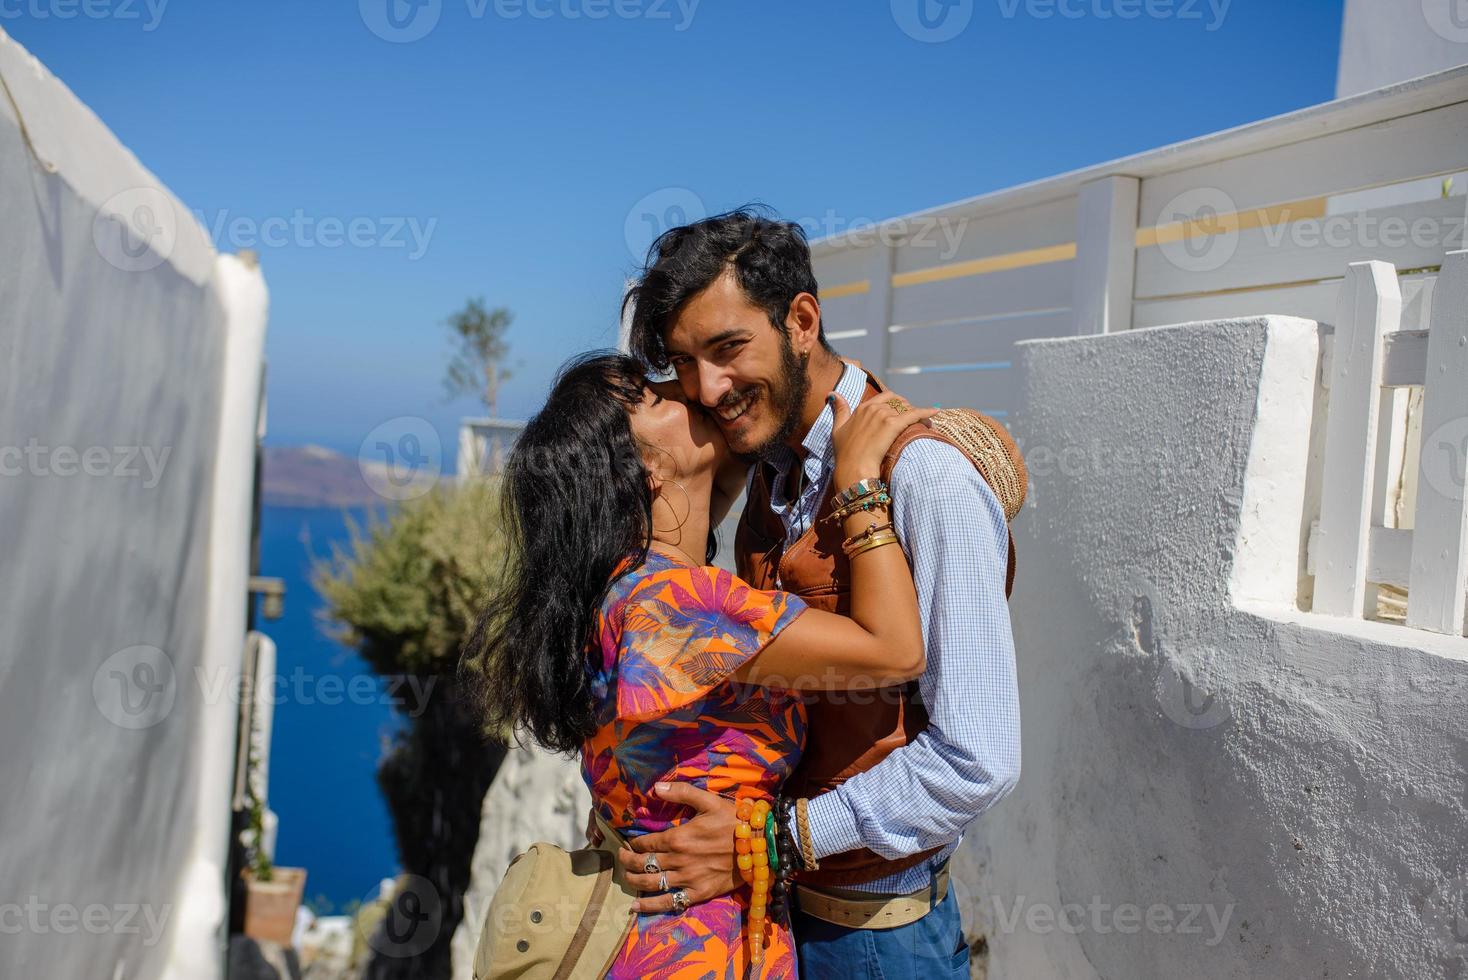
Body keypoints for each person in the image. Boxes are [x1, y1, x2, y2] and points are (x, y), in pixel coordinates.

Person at [615, 209, 1023, 979]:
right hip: (784, 920)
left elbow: (979, 759)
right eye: (684, 362)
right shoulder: (768, 476)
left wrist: (775, 839)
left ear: (802, 319)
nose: (710, 388)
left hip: (877, 939)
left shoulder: (925, 479)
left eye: (729, 348)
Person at [466, 350, 940, 978]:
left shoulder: (622, 588)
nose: (684, 390)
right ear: (644, 470)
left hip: (665, 937)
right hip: (693, 950)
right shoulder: (677, 604)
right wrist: (857, 486)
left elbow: (724, 477)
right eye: (654, 397)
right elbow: (894, 649)